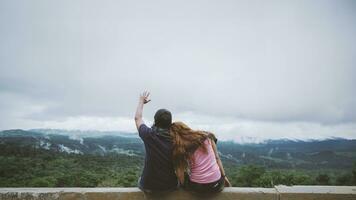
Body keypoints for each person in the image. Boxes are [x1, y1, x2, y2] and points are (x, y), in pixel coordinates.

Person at [134, 91, 178, 192]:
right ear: (170, 123)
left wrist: (141, 101)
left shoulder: (149, 135)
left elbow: (138, 118)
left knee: (140, 179)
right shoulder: (176, 139)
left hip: (148, 186)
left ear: (155, 121)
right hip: (169, 186)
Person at [169, 121, 231, 193]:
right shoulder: (207, 136)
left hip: (197, 188)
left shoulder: (179, 149)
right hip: (217, 185)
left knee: (185, 173)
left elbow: (180, 174)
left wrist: (184, 186)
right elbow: (217, 158)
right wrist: (224, 177)